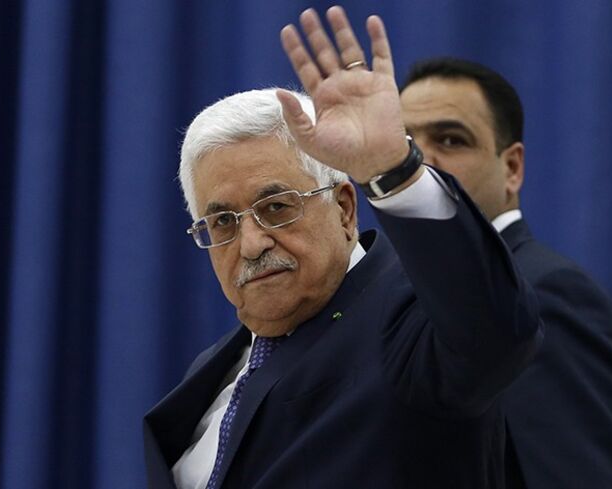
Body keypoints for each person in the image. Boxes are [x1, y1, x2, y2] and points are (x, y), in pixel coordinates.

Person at [144, 7, 542, 488]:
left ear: (345, 209)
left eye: (276, 207)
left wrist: (393, 170)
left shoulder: (416, 326)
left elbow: (494, 332)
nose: (250, 244)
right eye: (223, 221)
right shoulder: (213, 368)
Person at [399, 58, 612, 488]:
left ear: (512, 168)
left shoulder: (544, 293)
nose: (419, 162)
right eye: (404, 144)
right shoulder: (395, 294)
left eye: (451, 140)